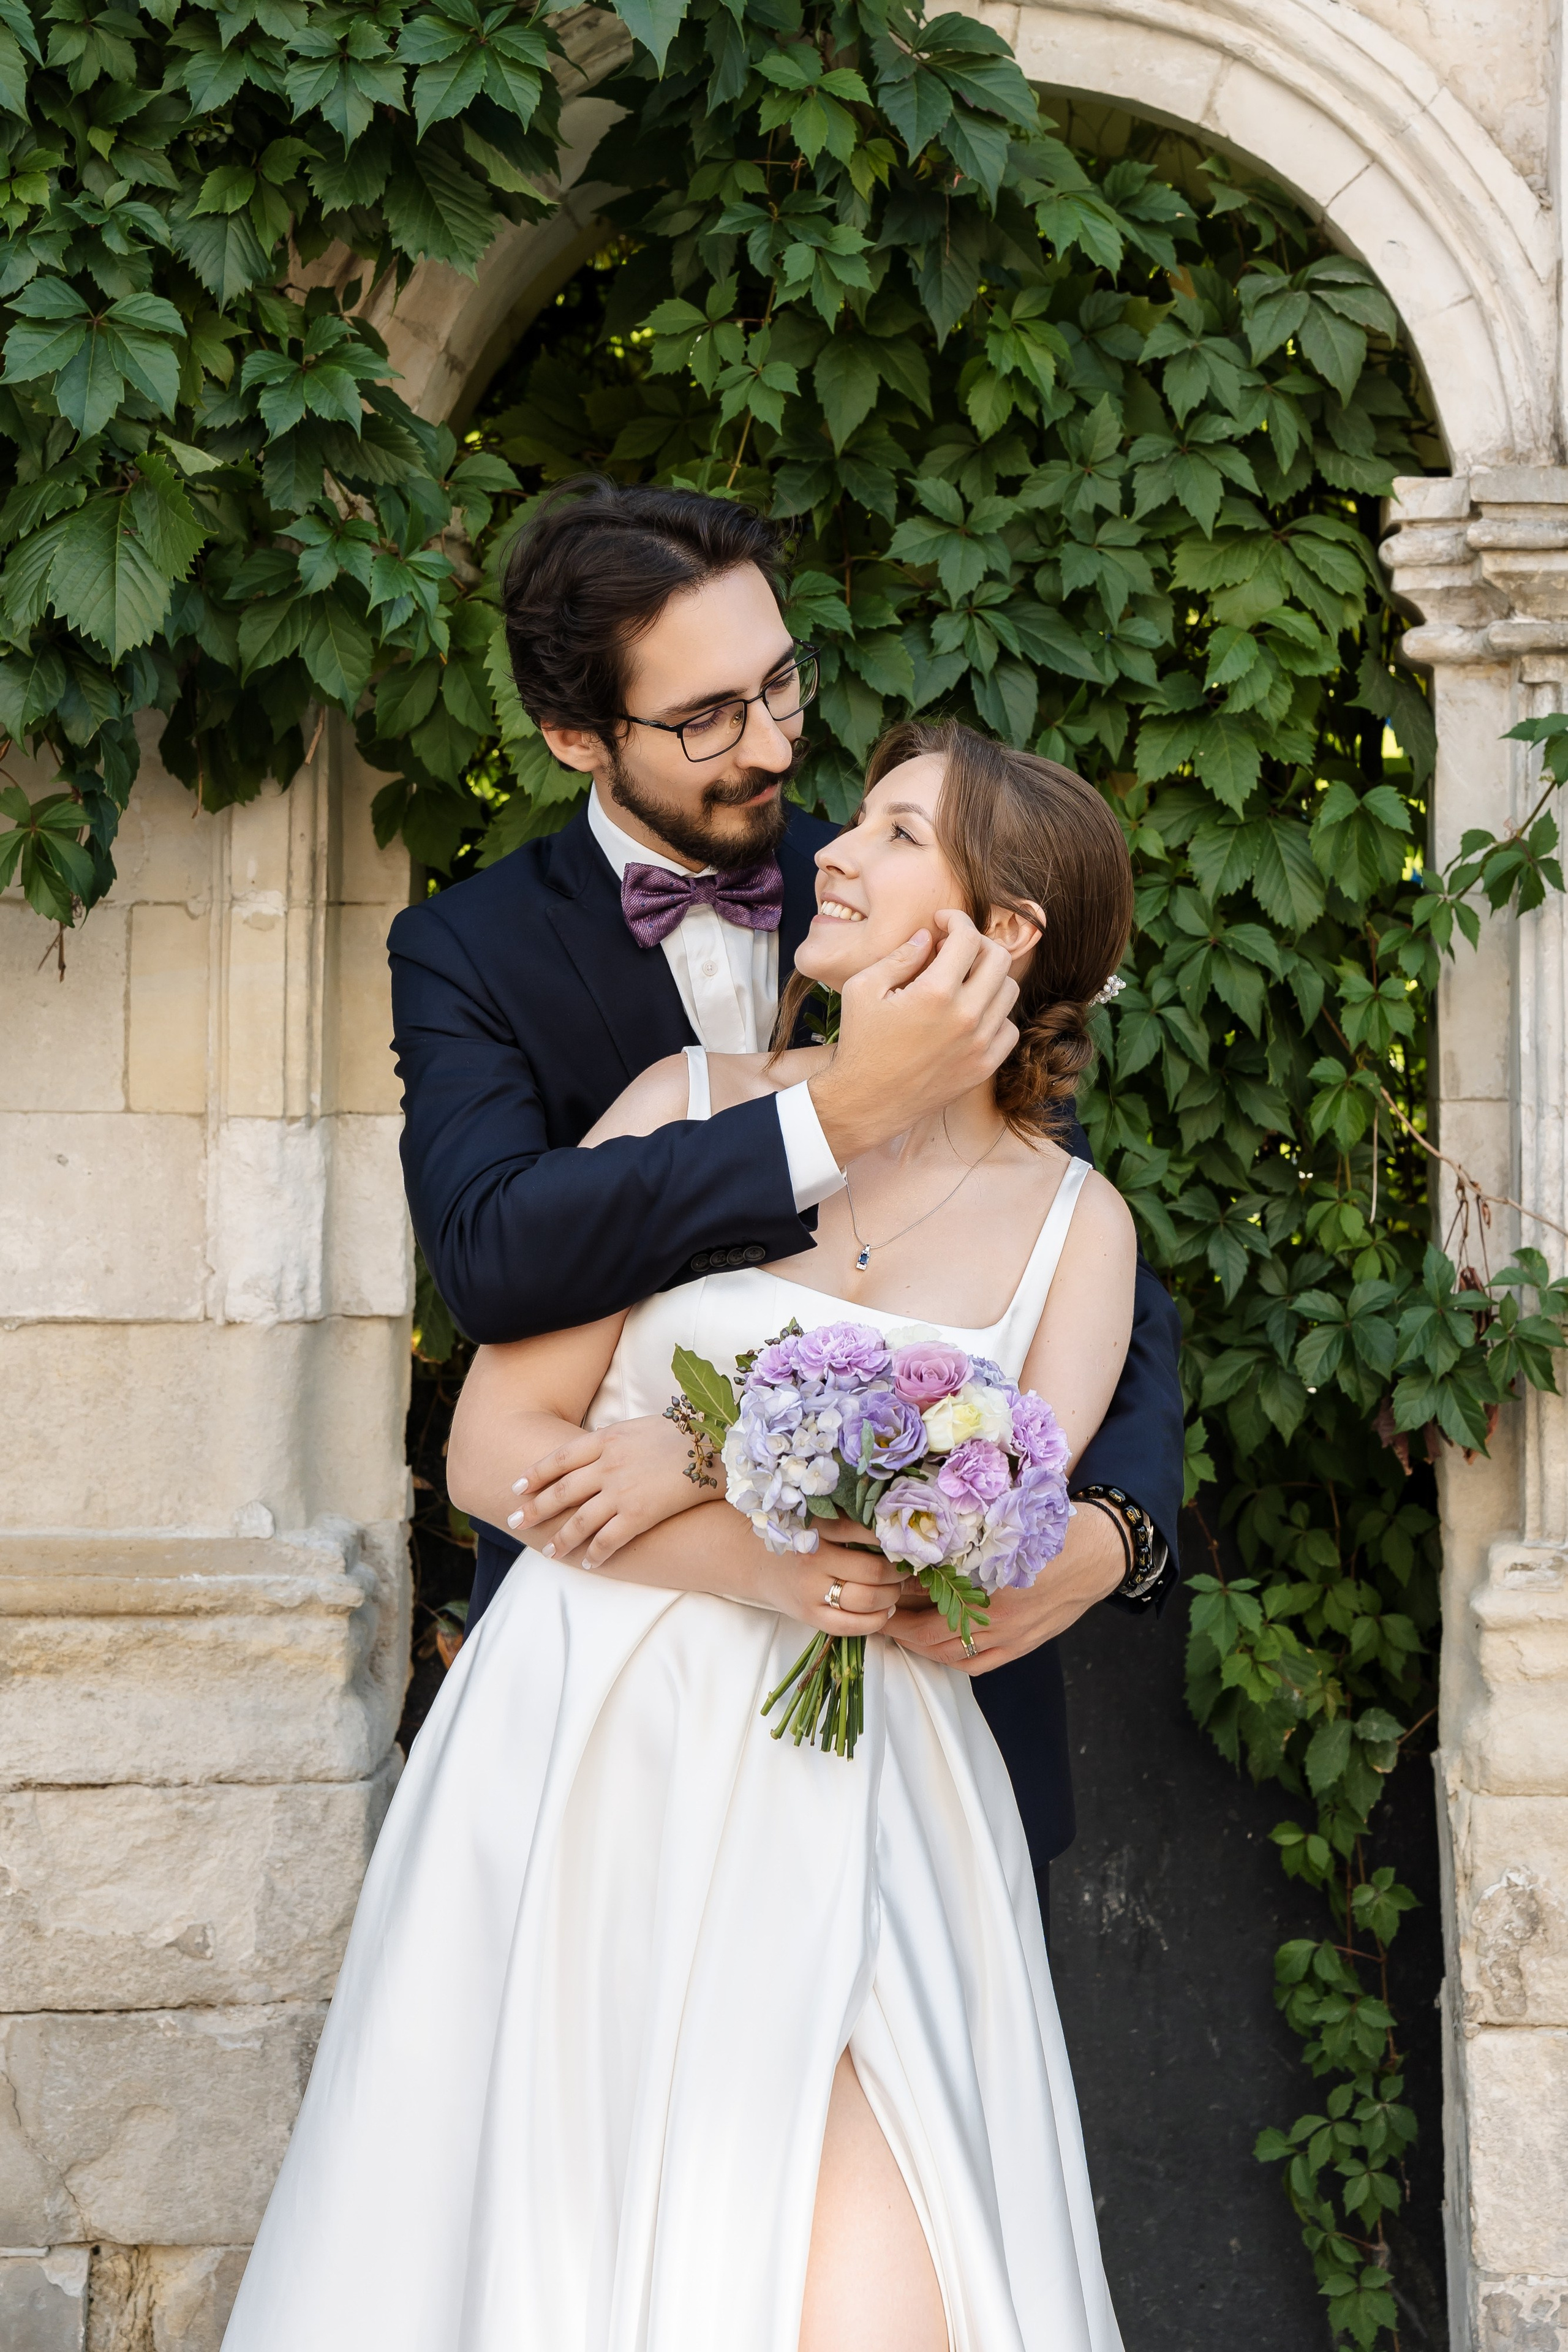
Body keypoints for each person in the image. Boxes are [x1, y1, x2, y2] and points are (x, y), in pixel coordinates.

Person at [222, 722, 1138, 2350]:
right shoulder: (691, 1101)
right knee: (548, 2246)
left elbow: (1005, 1552)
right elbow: (495, 1451)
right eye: (851, 821)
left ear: (1004, 936)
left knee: (884, 2304)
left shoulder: (1079, 1225)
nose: (831, 855)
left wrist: (714, 1456)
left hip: (871, 1792)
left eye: (897, 832)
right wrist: (749, 1539)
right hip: (595, 1745)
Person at [388, 478, 1183, 1890]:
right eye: (707, 718)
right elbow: (494, 1257)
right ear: (580, 735)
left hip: (915, 1719)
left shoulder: (912, 872)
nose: (772, 747)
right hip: (602, 1659)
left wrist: (1106, 1534)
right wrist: (842, 1108)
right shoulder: (469, 951)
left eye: (778, 685)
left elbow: (1048, 1260)